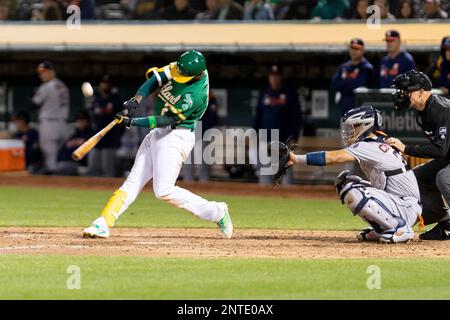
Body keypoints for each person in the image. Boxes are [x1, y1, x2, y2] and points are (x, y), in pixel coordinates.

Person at [83, 50, 233, 239]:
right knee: (132, 182)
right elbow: (156, 79)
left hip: (176, 137)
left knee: (163, 190)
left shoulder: (195, 96)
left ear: (196, 76)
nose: (177, 74)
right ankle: (103, 223)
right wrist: (135, 100)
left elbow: (165, 120)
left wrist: (133, 122)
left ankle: (216, 211)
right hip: (159, 134)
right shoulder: (186, 67)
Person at [285, 106, 422, 243]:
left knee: (351, 189)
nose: (349, 131)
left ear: (366, 126)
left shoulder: (368, 145)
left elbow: (333, 158)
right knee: (344, 182)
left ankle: (401, 228)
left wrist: (297, 159)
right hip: (402, 204)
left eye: (354, 126)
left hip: (406, 207)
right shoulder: (378, 143)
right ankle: (383, 228)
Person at [387, 70, 450, 240]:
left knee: (444, 178)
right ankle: (446, 224)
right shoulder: (424, 111)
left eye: (407, 92)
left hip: (446, 155)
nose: (402, 95)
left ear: (421, 92)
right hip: (448, 156)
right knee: (415, 178)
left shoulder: (443, 109)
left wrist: (405, 148)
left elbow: (439, 150)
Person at [254, 65, 301, 184]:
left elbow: (296, 117)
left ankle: (289, 199)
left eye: (277, 76)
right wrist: (255, 133)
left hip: (283, 139)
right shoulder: (264, 93)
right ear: (269, 77)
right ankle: (264, 199)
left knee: (286, 173)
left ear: (281, 77)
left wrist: (294, 136)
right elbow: (258, 115)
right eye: (272, 76)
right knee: (265, 173)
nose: (274, 79)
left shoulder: (289, 93)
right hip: (266, 138)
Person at [31, 61, 70, 174]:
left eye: (44, 72)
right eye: (41, 72)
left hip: (49, 123)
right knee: (59, 155)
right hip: (63, 123)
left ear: (52, 71)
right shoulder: (62, 85)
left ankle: (52, 182)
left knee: (49, 157)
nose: (41, 75)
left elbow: (34, 103)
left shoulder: (46, 86)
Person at [87, 75, 123, 177]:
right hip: (96, 139)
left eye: (107, 83)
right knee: (93, 170)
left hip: (110, 140)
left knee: (109, 172)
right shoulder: (95, 99)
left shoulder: (115, 99)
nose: (105, 85)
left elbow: (110, 110)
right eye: (103, 83)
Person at [331, 38, 375, 116]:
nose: (354, 51)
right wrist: (348, 83)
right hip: (345, 112)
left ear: (363, 50)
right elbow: (334, 84)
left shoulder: (367, 68)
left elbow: (357, 86)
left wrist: (343, 84)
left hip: (362, 113)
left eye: (357, 48)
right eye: (353, 48)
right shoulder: (344, 67)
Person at [55, 111, 93, 176]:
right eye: (78, 120)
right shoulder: (72, 136)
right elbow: (62, 151)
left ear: (87, 122)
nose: (80, 122)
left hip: (79, 164)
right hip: (65, 163)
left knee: (59, 169)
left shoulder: (91, 135)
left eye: (83, 120)